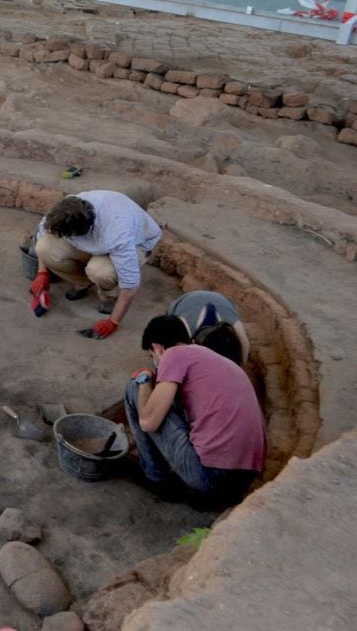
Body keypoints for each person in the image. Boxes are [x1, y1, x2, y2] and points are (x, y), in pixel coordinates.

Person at [124, 314, 266, 507]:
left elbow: (148, 422)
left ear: (157, 348)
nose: (155, 361)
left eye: (152, 356)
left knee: (135, 388)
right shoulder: (220, 361)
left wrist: (145, 379)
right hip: (243, 479)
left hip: (209, 475)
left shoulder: (174, 354)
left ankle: (156, 478)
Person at [28, 190, 162, 340]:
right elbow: (43, 234)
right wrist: (42, 273)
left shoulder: (117, 235)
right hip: (98, 239)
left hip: (140, 243)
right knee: (44, 247)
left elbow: (130, 286)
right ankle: (83, 282)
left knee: (100, 271)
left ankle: (109, 297)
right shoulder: (61, 212)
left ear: (78, 232)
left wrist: (113, 322)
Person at [167, 290, 250, 365]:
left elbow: (240, 363)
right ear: (193, 342)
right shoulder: (181, 328)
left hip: (222, 302)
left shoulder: (239, 335)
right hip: (186, 301)